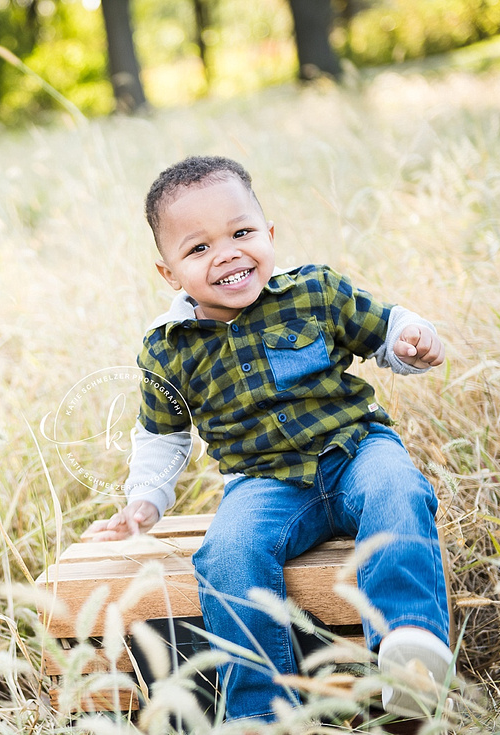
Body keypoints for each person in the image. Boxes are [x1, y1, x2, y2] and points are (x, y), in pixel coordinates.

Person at [89, 156, 454, 722]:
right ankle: (260, 713)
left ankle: (409, 653)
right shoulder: (168, 349)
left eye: (241, 233)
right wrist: (145, 500)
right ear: (168, 273)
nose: (228, 253)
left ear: (269, 235)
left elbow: (385, 329)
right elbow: (162, 438)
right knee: (227, 554)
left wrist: (413, 338)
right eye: (199, 248)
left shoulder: (315, 292)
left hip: (356, 450)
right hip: (262, 484)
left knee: (399, 490)